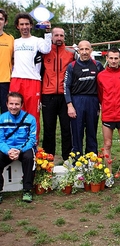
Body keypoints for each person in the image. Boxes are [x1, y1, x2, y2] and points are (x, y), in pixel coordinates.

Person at [10, 13, 52, 143]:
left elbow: (46, 49)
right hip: (16, 79)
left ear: (31, 25)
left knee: (33, 114)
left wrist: (48, 31)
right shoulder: (14, 42)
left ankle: (33, 144)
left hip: (33, 81)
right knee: (15, 112)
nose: (24, 27)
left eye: (27, 24)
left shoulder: (37, 40)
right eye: (21, 24)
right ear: (17, 26)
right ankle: (15, 143)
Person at [97, 48, 120, 188]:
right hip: (108, 114)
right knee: (107, 145)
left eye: (116, 58)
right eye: (111, 58)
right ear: (107, 59)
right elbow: (100, 94)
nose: (113, 61)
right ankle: (109, 175)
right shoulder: (101, 76)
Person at [64, 40, 104, 156]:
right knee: (77, 131)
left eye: (87, 49)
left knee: (92, 131)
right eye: (82, 49)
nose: (85, 52)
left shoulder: (97, 65)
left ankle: (92, 159)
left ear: (91, 51)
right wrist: (69, 105)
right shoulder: (72, 66)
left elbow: (107, 79)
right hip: (77, 101)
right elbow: (66, 86)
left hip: (93, 101)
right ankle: (77, 158)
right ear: (78, 51)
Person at [41, 27, 74, 160]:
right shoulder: (45, 52)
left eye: (61, 35)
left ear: (64, 37)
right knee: (49, 129)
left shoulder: (71, 53)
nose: (59, 38)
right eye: (56, 35)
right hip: (48, 95)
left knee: (67, 129)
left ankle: (68, 159)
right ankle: (48, 160)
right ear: (52, 37)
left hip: (65, 96)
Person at [0, 92, 36, 203]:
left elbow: (32, 140)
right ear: (6, 104)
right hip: (7, 149)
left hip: (22, 149)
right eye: (11, 103)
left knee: (30, 157)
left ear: (21, 105)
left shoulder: (30, 119)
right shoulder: (1, 118)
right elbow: (0, 140)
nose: (13, 107)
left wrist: (19, 150)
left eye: (16, 104)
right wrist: (8, 150)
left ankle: (27, 190)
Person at [0, 9, 14, 114]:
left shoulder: (10, 39)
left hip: (5, 81)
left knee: (5, 112)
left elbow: (14, 59)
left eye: (1, 19)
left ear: (5, 22)